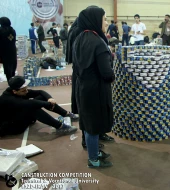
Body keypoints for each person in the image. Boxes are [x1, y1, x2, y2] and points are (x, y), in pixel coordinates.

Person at [73, 6, 114, 168]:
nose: (106, 23)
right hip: (96, 90)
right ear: (96, 20)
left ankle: (94, 152)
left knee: (89, 123)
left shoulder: (79, 38)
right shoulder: (98, 42)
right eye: (104, 19)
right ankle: (93, 159)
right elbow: (106, 73)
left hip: (82, 88)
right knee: (94, 126)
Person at [0, 76, 78, 137]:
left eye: (26, 89)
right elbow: (31, 103)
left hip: (17, 115)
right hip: (12, 125)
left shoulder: (16, 89)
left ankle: (66, 114)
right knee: (32, 108)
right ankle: (60, 127)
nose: (26, 92)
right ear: (14, 91)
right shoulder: (9, 99)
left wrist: (49, 99)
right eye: (24, 91)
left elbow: (40, 92)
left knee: (41, 97)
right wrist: (48, 104)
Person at [0, 17, 17, 82]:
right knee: (13, 65)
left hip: (4, 51)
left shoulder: (1, 30)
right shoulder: (12, 30)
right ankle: (13, 79)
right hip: (12, 49)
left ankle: (10, 81)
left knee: (7, 67)